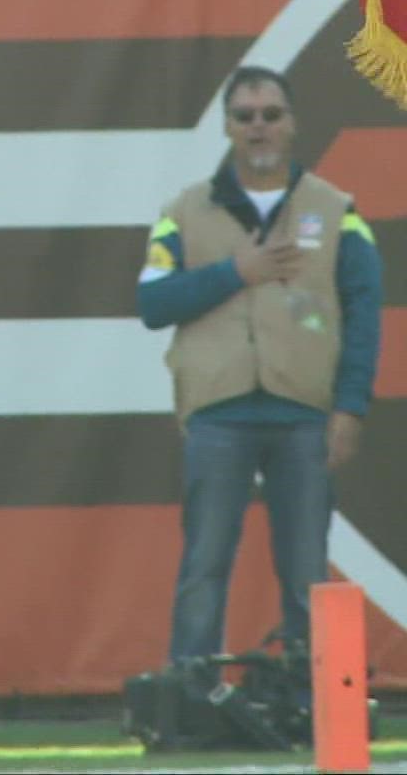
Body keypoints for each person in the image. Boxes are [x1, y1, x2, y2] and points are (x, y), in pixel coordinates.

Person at [137, 67, 382, 676]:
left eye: (271, 114)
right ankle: (190, 700)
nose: (258, 128)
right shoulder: (183, 212)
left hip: (304, 414)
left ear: (293, 123)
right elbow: (153, 304)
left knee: (305, 571)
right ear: (227, 127)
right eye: (245, 116)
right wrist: (235, 272)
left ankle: (309, 701)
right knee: (204, 568)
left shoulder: (338, 212)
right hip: (218, 413)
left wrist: (349, 407)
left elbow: (363, 316)